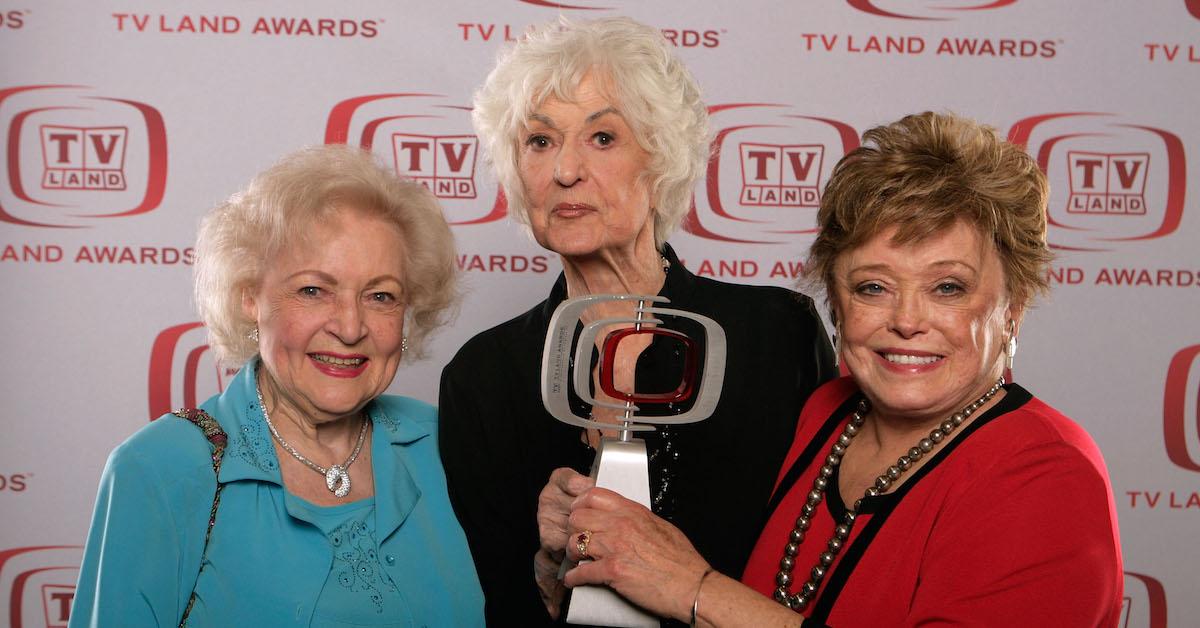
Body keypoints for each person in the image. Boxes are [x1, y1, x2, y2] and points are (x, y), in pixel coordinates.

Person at [538, 112, 1124, 626]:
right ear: (835, 303)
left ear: (1013, 306)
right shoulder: (827, 411)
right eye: (873, 287)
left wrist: (692, 588)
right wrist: (592, 545)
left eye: (948, 287)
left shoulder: (1045, 473)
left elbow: (699, 590)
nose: (907, 320)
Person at [439, 16, 836, 625]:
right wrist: (548, 563)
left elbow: (824, 563)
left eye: (602, 138)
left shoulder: (776, 334)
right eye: (539, 141)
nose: (565, 170)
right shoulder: (483, 376)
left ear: (662, 159)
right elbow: (500, 604)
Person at [70, 145, 484, 627]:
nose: (350, 327)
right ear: (250, 295)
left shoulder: (446, 444)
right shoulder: (159, 469)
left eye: (381, 296)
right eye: (313, 290)